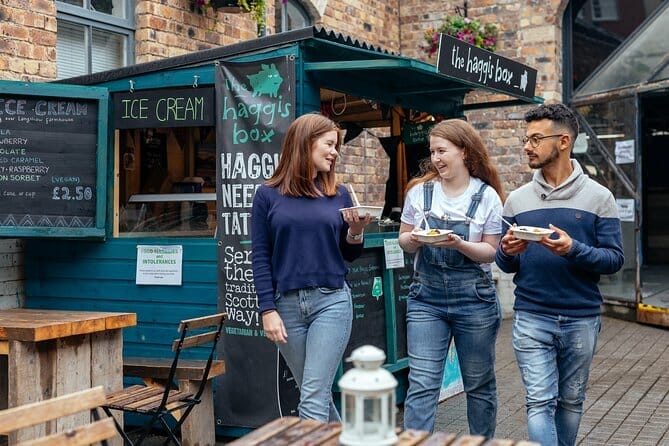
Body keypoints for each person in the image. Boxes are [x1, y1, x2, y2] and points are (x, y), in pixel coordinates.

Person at [495, 103, 624, 446]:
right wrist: (507, 251)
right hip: (531, 315)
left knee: (570, 401)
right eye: (527, 139)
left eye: (536, 139)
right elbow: (505, 265)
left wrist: (572, 249)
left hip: (581, 317)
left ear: (563, 141)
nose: (527, 146)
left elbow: (614, 260)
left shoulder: (600, 197)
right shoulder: (518, 200)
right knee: (539, 401)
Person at [251, 112, 372, 422]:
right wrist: (267, 309)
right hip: (286, 307)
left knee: (313, 399)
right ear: (305, 143)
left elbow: (349, 254)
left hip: (331, 301)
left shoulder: (339, 194)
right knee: (312, 393)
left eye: (336, 146)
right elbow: (260, 255)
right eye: (329, 144)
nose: (334, 152)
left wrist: (356, 231)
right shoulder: (267, 195)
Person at [398, 119, 505, 436]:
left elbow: (490, 252)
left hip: (475, 301)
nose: (436, 159)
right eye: (432, 152)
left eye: (442, 151)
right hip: (426, 300)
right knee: (421, 383)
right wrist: (415, 239)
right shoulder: (420, 193)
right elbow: (403, 239)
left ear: (464, 151)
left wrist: (458, 243)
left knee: (479, 384)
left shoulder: (486, 197)